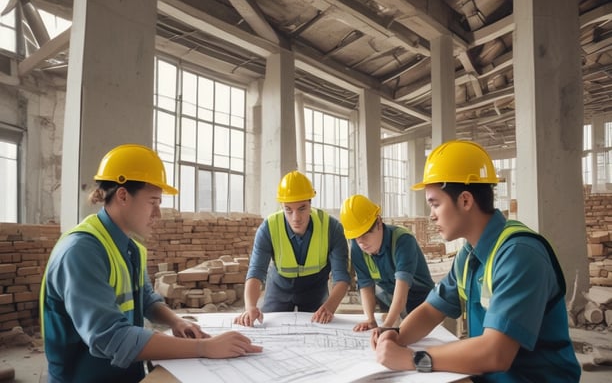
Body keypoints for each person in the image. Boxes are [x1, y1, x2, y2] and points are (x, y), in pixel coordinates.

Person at [40, 144, 262, 383]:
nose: (158, 213)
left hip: (125, 373)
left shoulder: (129, 247)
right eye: (153, 202)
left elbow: (144, 298)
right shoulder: (81, 253)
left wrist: (175, 321)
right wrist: (204, 347)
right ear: (123, 195)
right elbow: (111, 337)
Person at [372, 140, 580, 382]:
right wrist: (396, 336)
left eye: (435, 204)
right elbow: (432, 310)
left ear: (465, 201)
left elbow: (495, 354)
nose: (431, 215)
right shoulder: (468, 256)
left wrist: (411, 358)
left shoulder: (519, 255)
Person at [234, 170, 351, 326]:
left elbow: (341, 277)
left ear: (310, 203)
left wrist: (329, 307)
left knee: (317, 331)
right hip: (278, 288)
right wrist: (250, 307)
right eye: (288, 210)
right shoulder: (269, 228)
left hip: (315, 289)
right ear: (282, 206)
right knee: (269, 327)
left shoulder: (332, 228)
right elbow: (255, 272)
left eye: (302, 208)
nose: (296, 218)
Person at [340, 194, 434, 332]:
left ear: (378, 222)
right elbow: (366, 285)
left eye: (365, 234)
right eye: (356, 237)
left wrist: (387, 325)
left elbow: (402, 289)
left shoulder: (403, 240)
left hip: (421, 301)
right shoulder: (357, 246)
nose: (361, 242)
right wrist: (370, 319)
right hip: (391, 299)